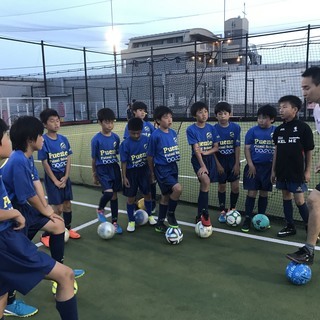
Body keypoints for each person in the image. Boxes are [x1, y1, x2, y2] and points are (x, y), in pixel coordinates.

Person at [0, 118, 79, 320]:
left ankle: (55, 267)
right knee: (64, 275)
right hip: (11, 224)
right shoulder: (17, 160)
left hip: (16, 218)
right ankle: (14, 299)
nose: (43, 138)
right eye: (5, 136)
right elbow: (27, 195)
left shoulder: (25, 158)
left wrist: (46, 209)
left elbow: (35, 184)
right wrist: (17, 214)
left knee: (57, 224)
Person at [287, 66, 320, 264]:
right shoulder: (317, 109)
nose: (304, 92)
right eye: (302, 88)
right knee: (314, 200)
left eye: (307, 88)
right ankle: (309, 250)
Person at [271, 95, 314, 238]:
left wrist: (307, 171)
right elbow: (276, 150)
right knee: (285, 197)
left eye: (284, 107)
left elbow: (309, 150)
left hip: (296, 172)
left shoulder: (303, 128)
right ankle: (290, 226)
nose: (281, 110)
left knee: (300, 200)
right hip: (282, 170)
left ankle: (311, 227)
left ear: (294, 109)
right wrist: (273, 170)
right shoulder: (279, 130)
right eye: (280, 107)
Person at [38, 108, 80, 248]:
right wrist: (55, 180)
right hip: (53, 178)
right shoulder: (43, 141)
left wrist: (67, 176)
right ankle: (46, 235)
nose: (56, 123)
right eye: (52, 121)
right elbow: (45, 163)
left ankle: (68, 228)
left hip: (64, 177)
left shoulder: (64, 139)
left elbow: (68, 158)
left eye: (58, 120)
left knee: (67, 204)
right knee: (57, 208)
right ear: (45, 124)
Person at [241, 104, 277, 232]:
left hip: (268, 168)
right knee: (251, 192)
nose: (261, 120)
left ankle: (261, 217)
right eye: (259, 117)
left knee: (263, 192)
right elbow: (247, 148)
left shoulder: (276, 131)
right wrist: (250, 165)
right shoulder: (252, 131)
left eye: (265, 118)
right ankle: (247, 218)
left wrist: (273, 170)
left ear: (272, 119)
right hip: (253, 167)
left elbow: (278, 151)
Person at [147, 106, 182, 233]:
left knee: (165, 195)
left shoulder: (173, 133)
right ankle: (171, 214)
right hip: (162, 169)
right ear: (158, 120)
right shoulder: (155, 136)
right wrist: (152, 173)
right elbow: (150, 156)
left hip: (173, 167)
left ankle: (160, 223)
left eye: (170, 117)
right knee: (177, 189)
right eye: (166, 117)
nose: (169, 120)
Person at [120, 117, 157, 232]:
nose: (136, 135)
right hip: (131, 173)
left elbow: (150, 158)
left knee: (148, 194)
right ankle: (131, 221)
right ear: (128, 131)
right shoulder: (125, 144)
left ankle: (150, 215)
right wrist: (124, 177)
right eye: (133, 133)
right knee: (131, 198)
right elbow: (124, 162)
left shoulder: (147, 140)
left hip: (144, 171)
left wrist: (151, 173)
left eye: (138, 132)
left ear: (142, 130)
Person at [186, 101, 219, 227]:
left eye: (205, 111)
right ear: (195, 115)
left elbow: (216, 147)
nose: (204, 114)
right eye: (200, 112)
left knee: (206, 186)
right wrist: (203, 165)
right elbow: (196, 149)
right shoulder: (191, 129)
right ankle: (203, 214)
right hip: (198, 160)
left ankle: (201, 213)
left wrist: (206, 152)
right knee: (205, 181)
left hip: (209, 158)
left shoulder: (212, 128)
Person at [91, 107, 123, 234]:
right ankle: (100, 209)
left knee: (114, 195)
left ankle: (114, 222)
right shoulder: (96, 139)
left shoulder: (116, 138)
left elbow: (117, 153)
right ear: (100, 122)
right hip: (102, 169)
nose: (110, 125)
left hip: (114, 167)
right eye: (106, 122)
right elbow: (94, 159)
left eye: (111, 122)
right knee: (108, 193)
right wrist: (94, 174)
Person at [123, 101, 157, 214]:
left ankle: (152, 204)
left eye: (144, 111)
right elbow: (128, 142)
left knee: (151, 183)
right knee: (135, 186)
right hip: (135, 162)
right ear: (134, 112)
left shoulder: (149, 126)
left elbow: (154, 139)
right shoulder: (130, 126)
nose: (143, 113)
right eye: (140, 110)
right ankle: (138, 204)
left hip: (148, 161)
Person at [213, 102, 241, 223]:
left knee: (235, 187)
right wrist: (218, 164)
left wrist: (236, 163)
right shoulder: (213, 129)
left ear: (230, 114)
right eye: (220, 114)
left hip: (232, 160)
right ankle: (223, 210)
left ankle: (232, 208)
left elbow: (237, 146)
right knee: (222, 186)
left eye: (225, 113)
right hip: (220, 160)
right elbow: (213, 149)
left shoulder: (235, 127)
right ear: (216, 116)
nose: (223, 116)